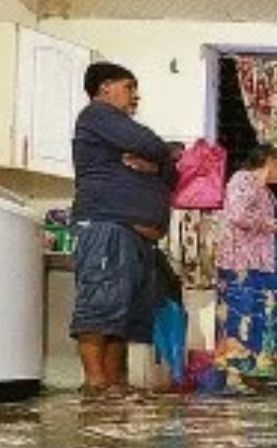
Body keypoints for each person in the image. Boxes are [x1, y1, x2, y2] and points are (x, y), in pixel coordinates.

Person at [69, 62, 176, 395]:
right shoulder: (96, 116)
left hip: (134, 236)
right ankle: (95, 382)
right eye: (129, 87)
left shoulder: (116, 128)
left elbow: (171, 170)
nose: (135, 96)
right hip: (107, 225)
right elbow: (155, 145)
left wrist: (158, 165)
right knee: (100, 304)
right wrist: (159, 157)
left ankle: (115, 383)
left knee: (124, 314)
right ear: (105, 88)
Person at [214, 144, 277, 391]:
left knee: (262, 319)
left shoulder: (263, 190)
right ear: (269, 161)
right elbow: (238, 215)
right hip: (242, 265)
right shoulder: (243, 180)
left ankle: (256, 376)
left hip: (260, 266)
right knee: (242, 319)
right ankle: (238, 378)